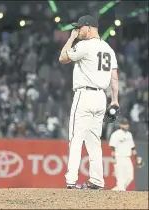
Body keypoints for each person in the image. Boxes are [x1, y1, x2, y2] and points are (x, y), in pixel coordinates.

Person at [59, 15, 119, 189]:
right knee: (94, 142)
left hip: (84, 95)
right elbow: (114, 78)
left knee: (76, 138)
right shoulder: (108, 49)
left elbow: (63, 58)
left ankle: (71, 180)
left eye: (80, 28)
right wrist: (114, 101)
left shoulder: (84, 45)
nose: (77, 31)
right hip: (101, 98)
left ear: (89, 28)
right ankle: (97, 180)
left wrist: (70, 39)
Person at [109, 118, 136, 191]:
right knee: (120, 177)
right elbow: (112, 147)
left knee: (130, 177)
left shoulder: (129, 134)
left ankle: (117, 189)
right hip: (119, 157)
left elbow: (132, 147)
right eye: (124, 124)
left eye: (127, 124)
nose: (126, 125)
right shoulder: (116, 134)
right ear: (120, 125)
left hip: (127, 157)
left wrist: (136, 156)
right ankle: (121, 192)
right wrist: (114, 158)